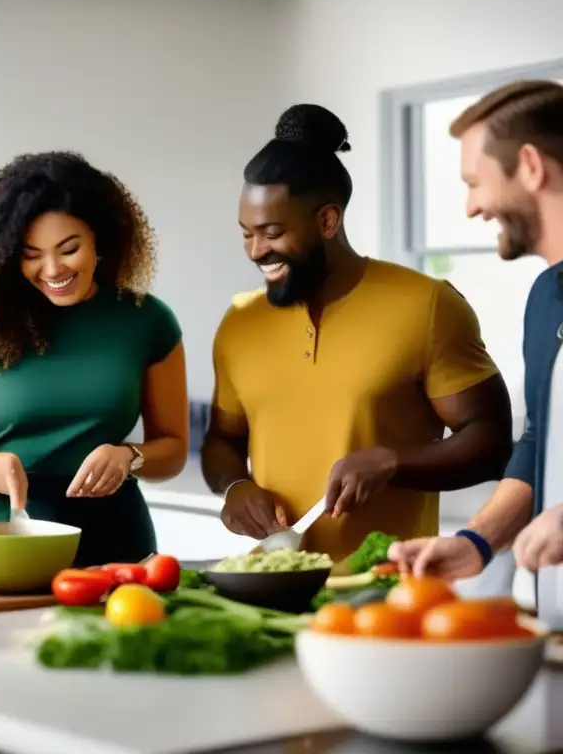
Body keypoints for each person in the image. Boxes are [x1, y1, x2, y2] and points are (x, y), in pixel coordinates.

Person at [203, 103, 514, 562]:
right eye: (246, 233)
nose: (255, 251)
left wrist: (393, 461)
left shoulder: (426, 305)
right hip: (276, 585)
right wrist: (235, 487)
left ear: (327, 221)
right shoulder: (239, 324)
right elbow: (221, 441)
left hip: (388, 587)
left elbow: (491, 441)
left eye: (271, 232)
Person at [0, 151, 189, 566]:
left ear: (100, 241)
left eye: (68, 249)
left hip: (118, 542)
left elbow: (173, 451)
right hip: (8, 539)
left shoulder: (147, 321)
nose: (51, 269)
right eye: (31, 254)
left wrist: (129, 456)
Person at [389, 81, 563, 584]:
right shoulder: (545, 298)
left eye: (474, 182)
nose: (470, 208)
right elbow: (540, 443)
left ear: (530, 165)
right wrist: (475, 543)